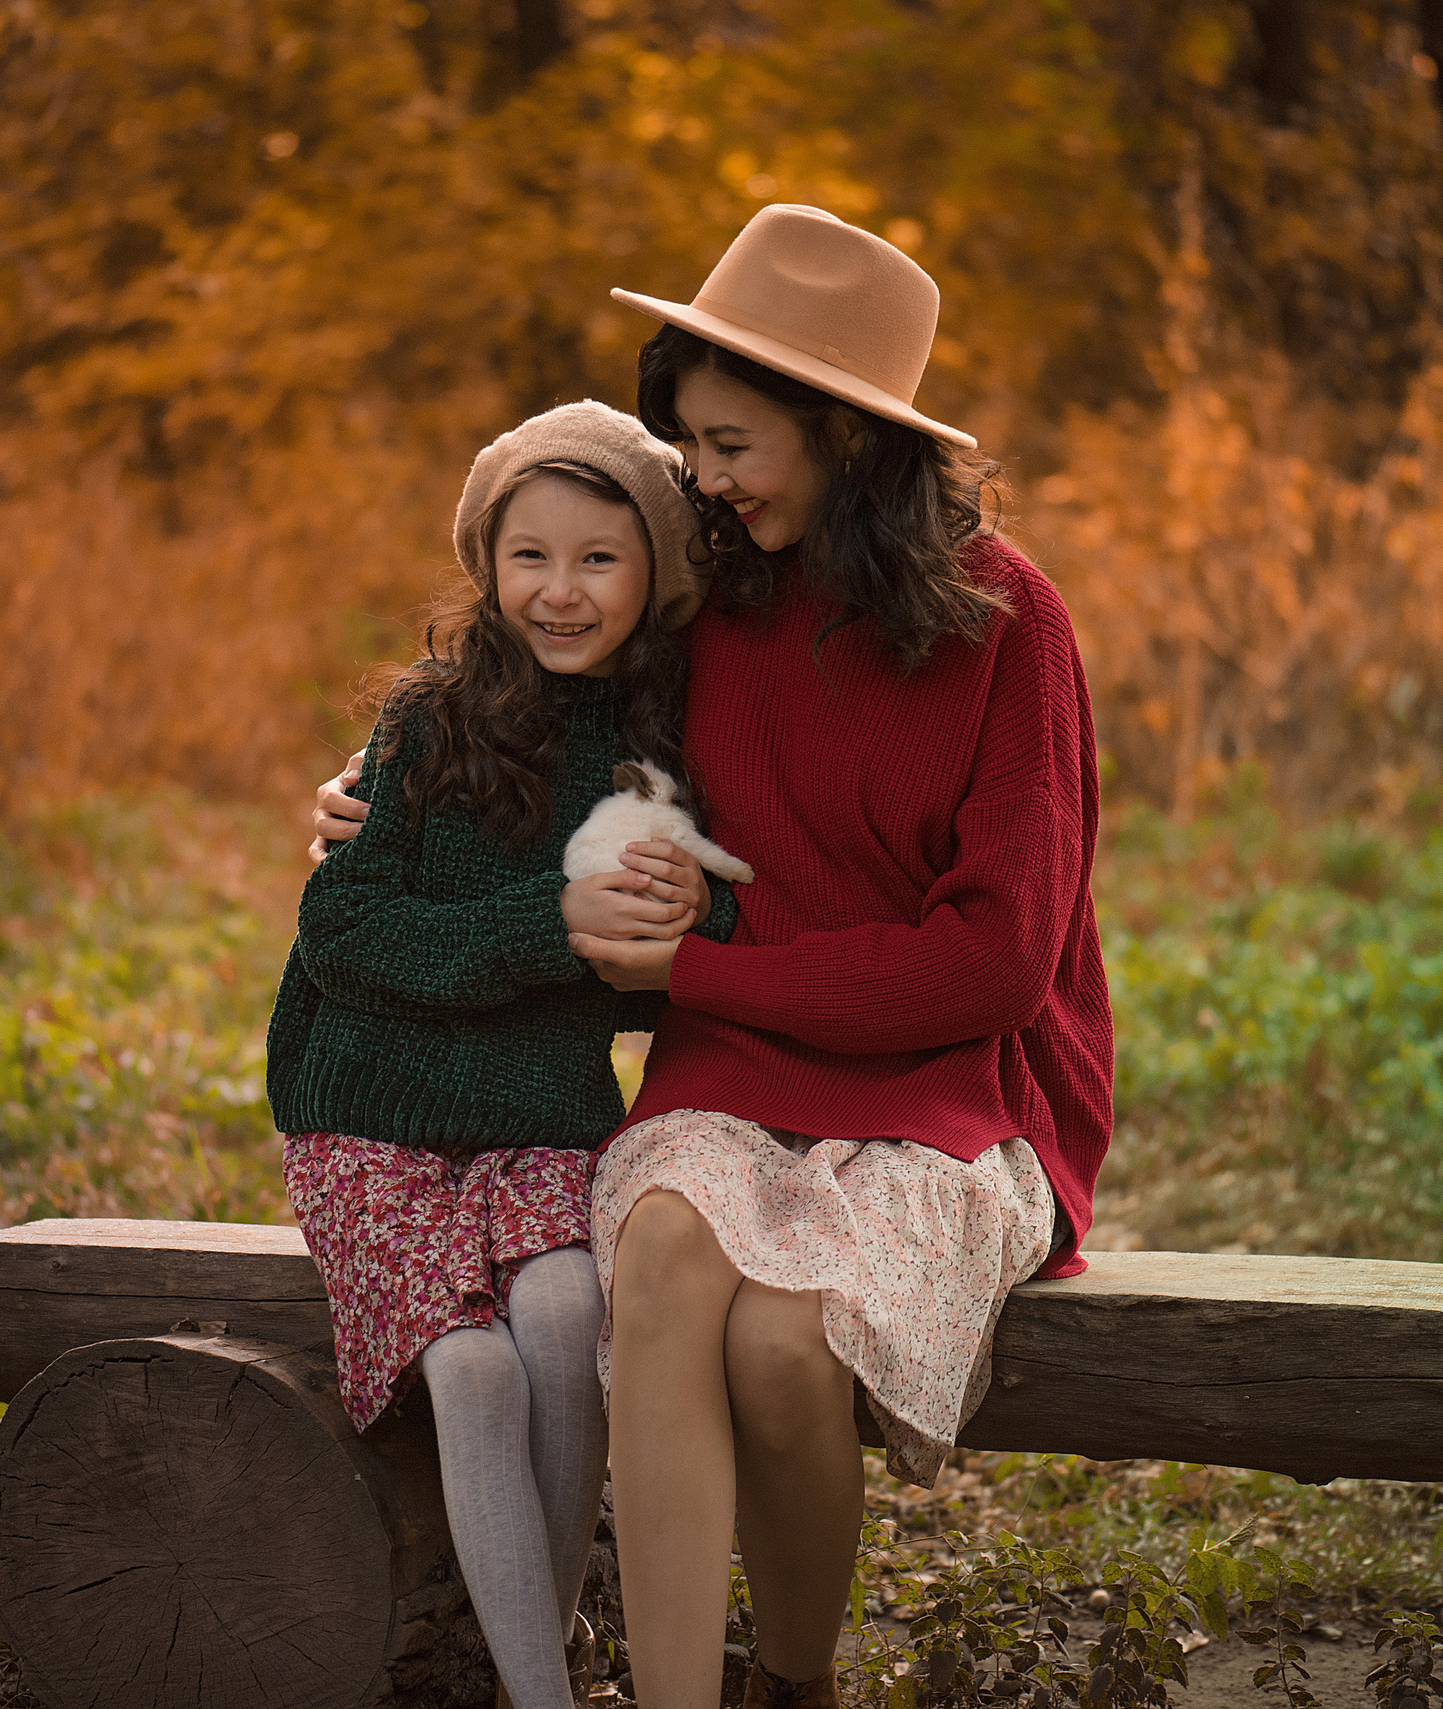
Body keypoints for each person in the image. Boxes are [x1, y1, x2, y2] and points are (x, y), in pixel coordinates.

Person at [309, 207, 1114, 1709]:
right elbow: (527, 699)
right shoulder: (715, 597)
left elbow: (994, 968)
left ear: (845, 436)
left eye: (731, 444)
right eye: (690, 445)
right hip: (734, 1069)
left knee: (786, 1345)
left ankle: (793, 1684)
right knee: (669, 1253)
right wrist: (372, 796)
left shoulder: (1011, 624)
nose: (707, 477)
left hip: (953, 1086)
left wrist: (694, 978)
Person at [266, 400, 741, 1709]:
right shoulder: (428, 721)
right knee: (474, 1370)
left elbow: (697, 946)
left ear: (653, 573)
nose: (560, 591)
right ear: (486, 563)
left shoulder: (664, 748)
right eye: (529, 555)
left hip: (540, 1113)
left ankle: (545, 1655)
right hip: (369, 1115)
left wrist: (690, 918)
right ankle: (543, 1695)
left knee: (568, 1313)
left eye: (599, 559)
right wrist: (550, 922)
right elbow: (341, 932)